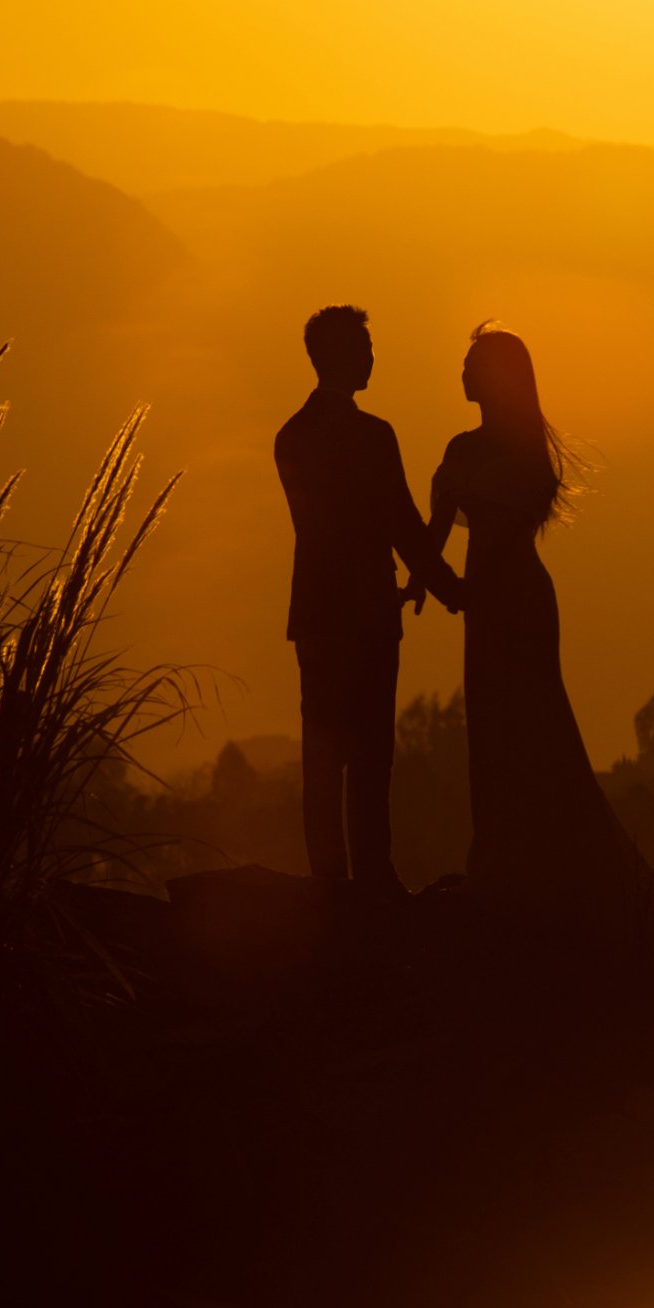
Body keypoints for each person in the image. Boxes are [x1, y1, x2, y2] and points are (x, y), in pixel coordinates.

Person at [422, 325, 654, 929]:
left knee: (533, 726)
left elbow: (488, 530)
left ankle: (538, 870)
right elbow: (436, 531)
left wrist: (446, 584)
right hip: (484, 605)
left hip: (518, 603)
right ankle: (502, 862)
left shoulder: (520, 454)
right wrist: (424, 581)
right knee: (491, 729)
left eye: (473, 364)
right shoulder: (465, 449)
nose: (463, 374)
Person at [274, 306, 454, 898]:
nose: (374, 358)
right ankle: (373, 877)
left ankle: (331, 880)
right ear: (346, 356)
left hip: (321, 617)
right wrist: (450, 587)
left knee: (325, 752)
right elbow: (399, 519)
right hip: (368, 613)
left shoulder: (291, 437)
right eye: (367, 347)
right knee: (372, 751)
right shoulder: (374, 436)